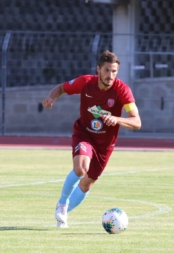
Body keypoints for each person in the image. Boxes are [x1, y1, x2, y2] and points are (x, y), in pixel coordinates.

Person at [41, 50, 142, 228]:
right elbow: (61, 88)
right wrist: (51, 98)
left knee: (87, 184)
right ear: (98, 69)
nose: (110, 75)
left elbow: (137, 122)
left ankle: (62, 214)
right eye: (107, 70)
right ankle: (63, 203)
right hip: (85, 133)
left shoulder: (122, 90)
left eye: (114, 71)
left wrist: (117, 119)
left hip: (105, 143)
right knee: (81, 169)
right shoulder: (86, 82)